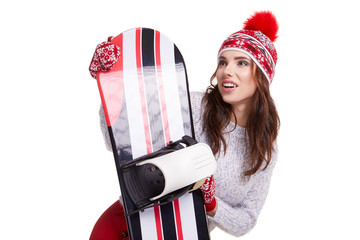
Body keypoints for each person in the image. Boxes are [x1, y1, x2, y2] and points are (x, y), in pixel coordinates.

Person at [89, 10, 280, 239]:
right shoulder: (194, 105)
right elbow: (121, 143)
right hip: (126, 227)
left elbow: (246, 220)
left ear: (262, 76)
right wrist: (113, 85)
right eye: (222, 62)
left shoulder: (264, 148)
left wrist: (211, 203)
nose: (227, 71)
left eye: (241, 63)